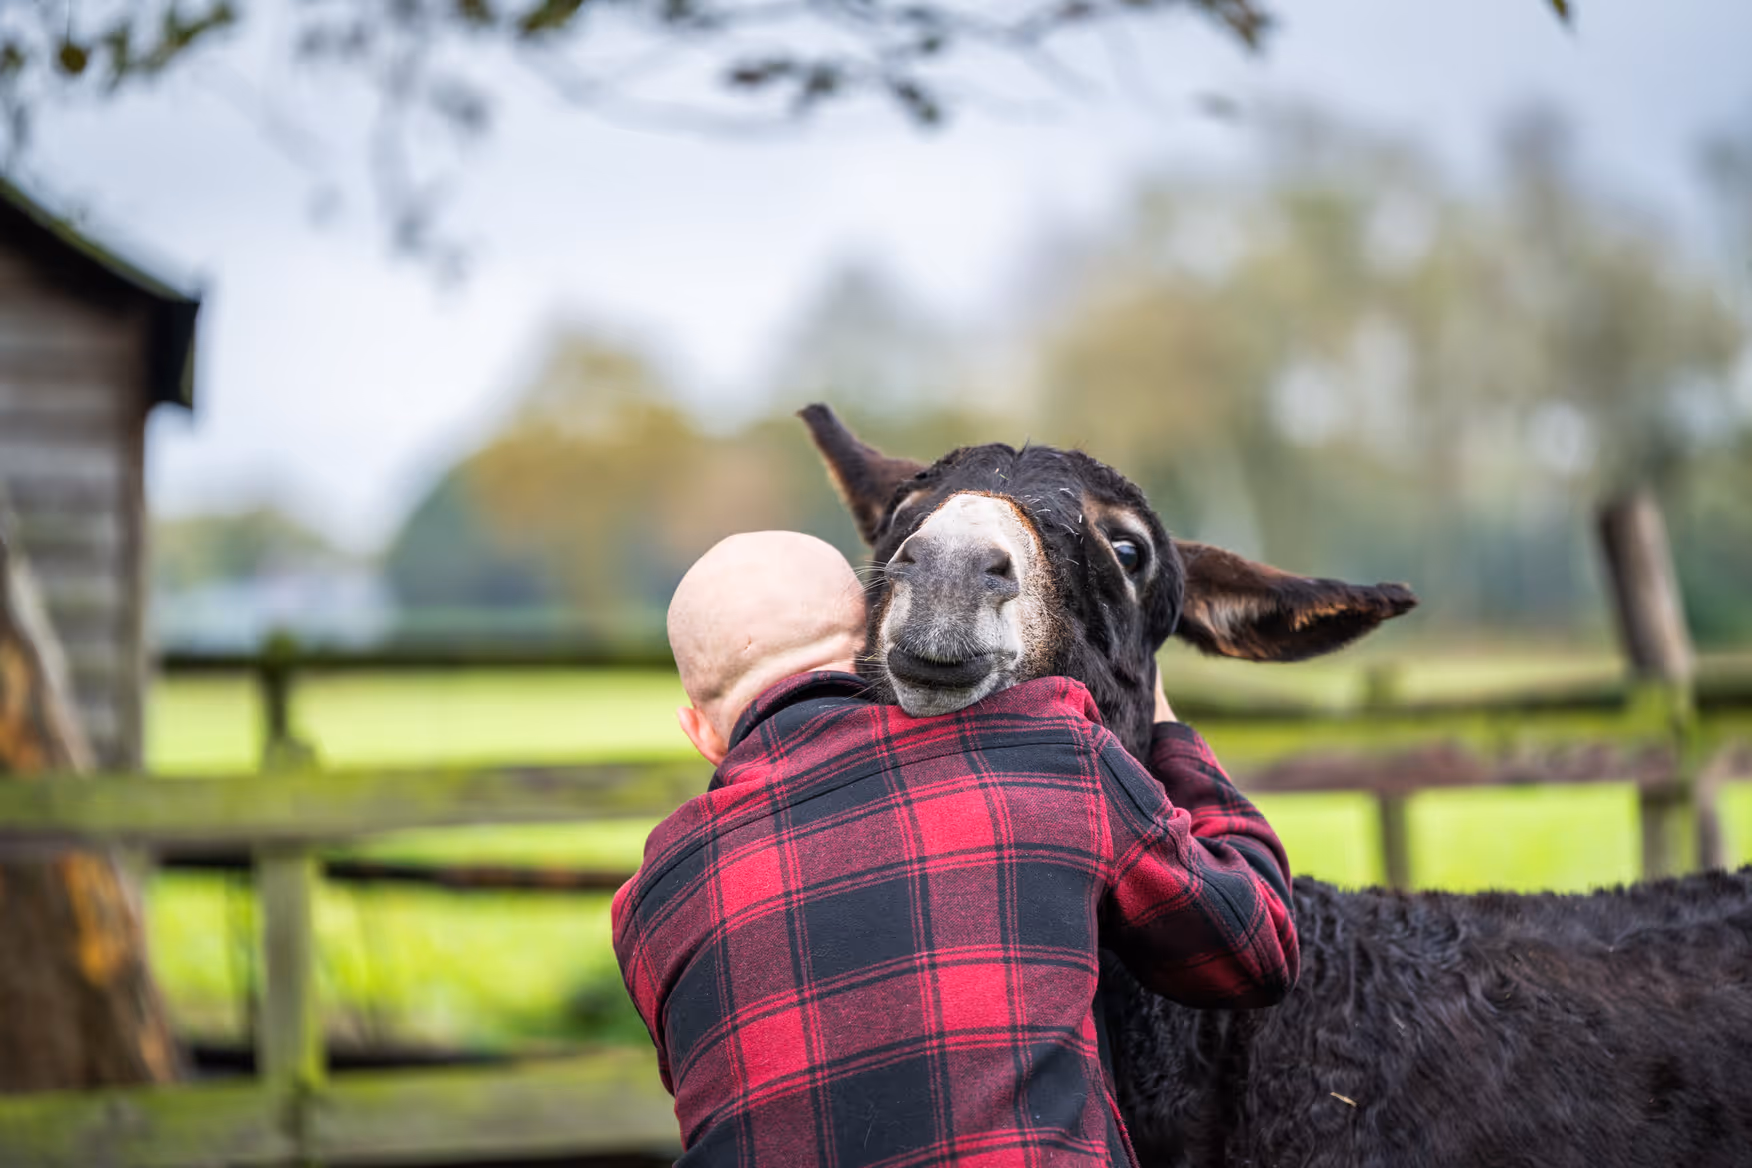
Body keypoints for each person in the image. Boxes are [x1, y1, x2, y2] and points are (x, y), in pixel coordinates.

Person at [612, 530, 1299, 1167]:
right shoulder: (1049, 753)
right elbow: (1255, 946)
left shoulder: (649, 908)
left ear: (697, 729)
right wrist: (1167, 729)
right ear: (883, 641)